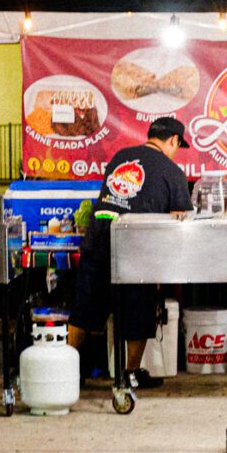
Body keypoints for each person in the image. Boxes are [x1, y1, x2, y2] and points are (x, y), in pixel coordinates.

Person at [72, 116, 195, 388]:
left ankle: (66, 371)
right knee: (138, 315)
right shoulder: (172, 171)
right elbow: (179, 219)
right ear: (173, 140)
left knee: (85, 310)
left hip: (98, 239)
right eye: (177, 144)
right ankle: (129, 374)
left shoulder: (120, 157)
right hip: (137, 249)